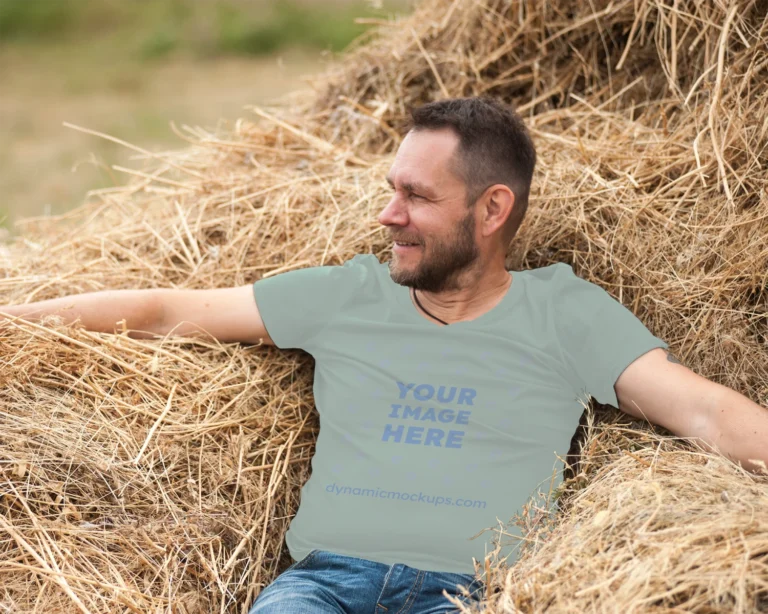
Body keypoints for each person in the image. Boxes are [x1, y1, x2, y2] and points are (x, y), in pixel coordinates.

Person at [2, 97, 766, 614]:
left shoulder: (566, 313)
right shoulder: (347, 296)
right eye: (390, 189)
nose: (387, 214)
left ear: (492, 209)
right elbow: (168, 312)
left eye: (417, 198)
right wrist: (15, 320)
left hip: (469, 593)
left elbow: (699, 407)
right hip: (324, 586)